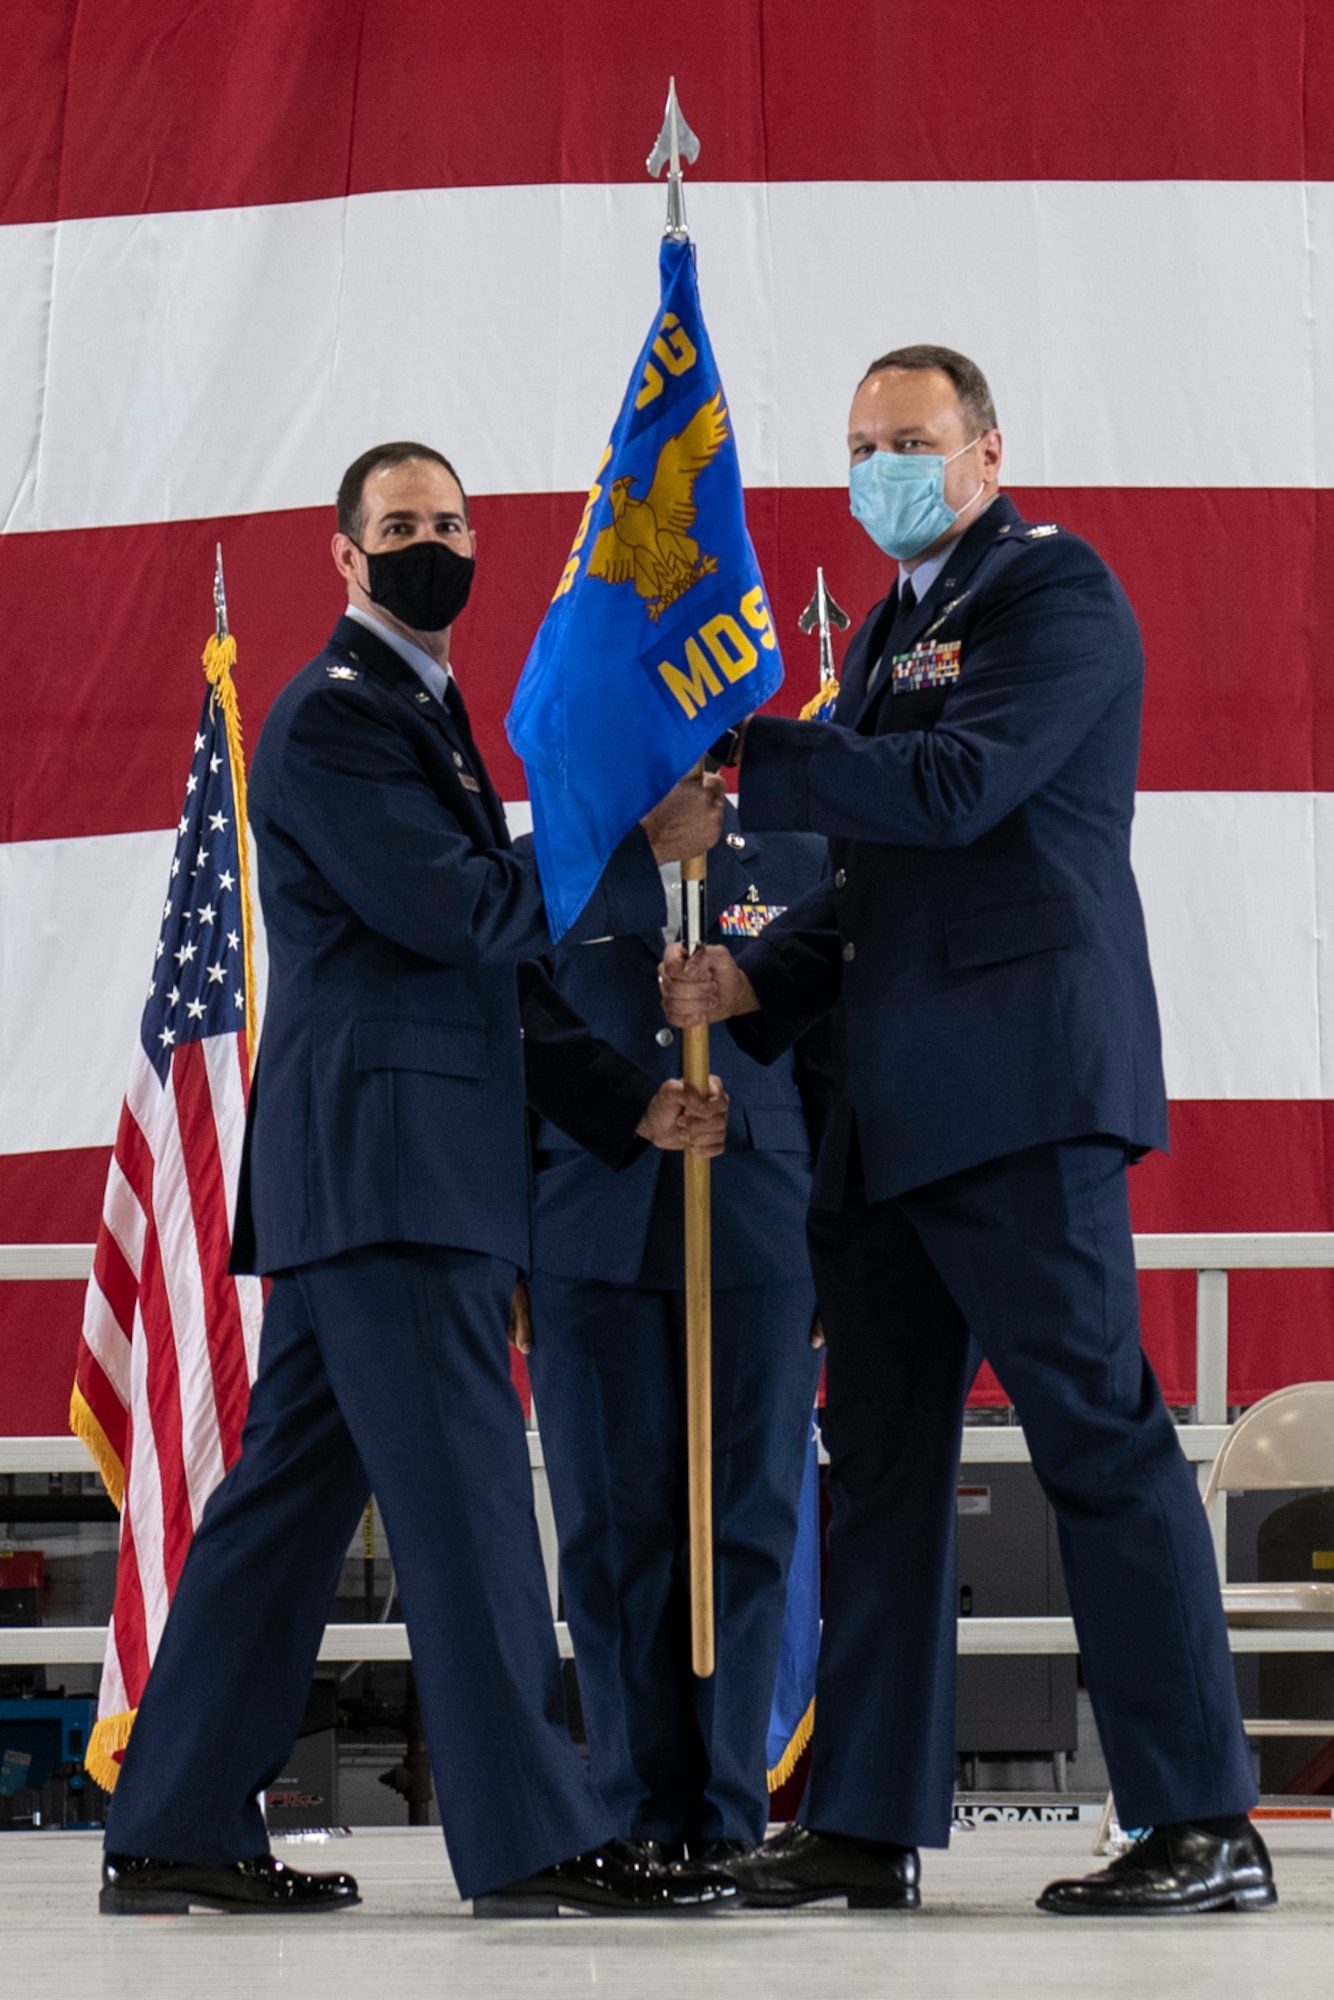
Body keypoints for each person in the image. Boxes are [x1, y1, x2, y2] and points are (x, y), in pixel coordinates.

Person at [661, 349, 1273, 1916]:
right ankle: (864, 1820)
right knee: (875, 1471)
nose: (883, 467)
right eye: (862, 445)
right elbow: (876, 903)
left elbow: (948, 791)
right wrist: (754, 971)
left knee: (1098, 1445)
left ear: (988, 451)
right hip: (877, 1115)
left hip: (1013, 1100)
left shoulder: (1051, 597)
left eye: (912, 441)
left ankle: (1203, 1821)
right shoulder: (881, 631)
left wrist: (745, 756)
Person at [99, 441, 735, 1919]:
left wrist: (621, 1102)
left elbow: (490, 987)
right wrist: (631, 839)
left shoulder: (423, 717)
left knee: (283, 1511)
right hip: (389, 1176)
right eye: (399, 526)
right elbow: (461, 917)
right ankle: (536, 1840)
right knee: (462, 1508)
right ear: (343, 555)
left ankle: (178, 1819)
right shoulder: (332, 722)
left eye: (449, 522)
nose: (429, 544)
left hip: (384, 1173)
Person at [519, 802, 831, 1864]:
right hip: (588, 1233)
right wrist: (510, 1255)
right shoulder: (547, 867)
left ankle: (731, 1813)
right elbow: (511, 1050)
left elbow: (830, 1051)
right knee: (613, 1541)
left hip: (758, 1225)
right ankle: (634, 1814)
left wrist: (833, 1229)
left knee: (747, 1529)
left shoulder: (796, 859)